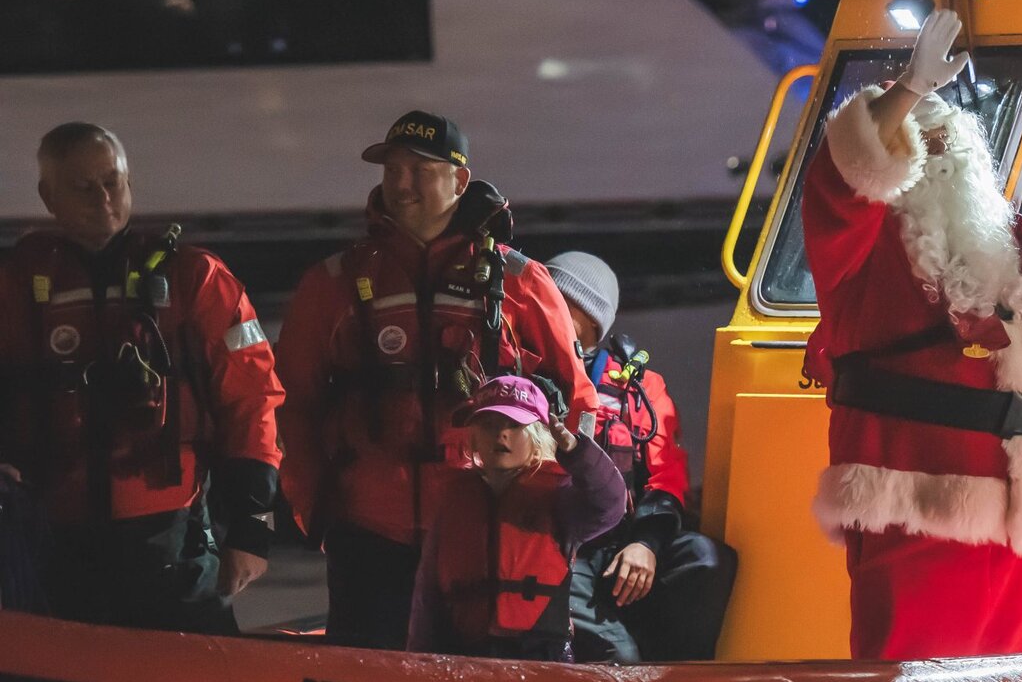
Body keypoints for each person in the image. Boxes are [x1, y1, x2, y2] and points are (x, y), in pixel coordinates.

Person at [802, 9, 1022, 660]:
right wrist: (909, 90)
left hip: (1013, 525)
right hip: (911, 512)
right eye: (921, 142)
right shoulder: (861, 254)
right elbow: (838, 182)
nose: (941, 155)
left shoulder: (1007, 254)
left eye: (953, 145)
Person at [275, 111, 596, 648]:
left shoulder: (521, 281)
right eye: (392, 171)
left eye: (419, 171)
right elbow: (292, 404)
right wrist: (317, 510)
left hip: (487, 528)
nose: (401, 185)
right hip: (370, 532)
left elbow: (577, 400)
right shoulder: (334, 282)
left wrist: (553, 512)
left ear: (459, 179)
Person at [0, 123, 282, 632]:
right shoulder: (17, 284)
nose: (103, 198)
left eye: (113, 181)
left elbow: (252, 398)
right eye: (83, 187)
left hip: (172, 538)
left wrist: (250, 526)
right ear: (48, 196)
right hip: (53, 541)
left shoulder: (195, 277)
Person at [544, 251, 738, 662]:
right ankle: (629, 678)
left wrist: (646, 543)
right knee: (618, 656)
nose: (548, 312)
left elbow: (666, 474)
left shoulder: (642, 386)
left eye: (562, 303)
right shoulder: (523, 376)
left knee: (705, 560)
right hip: (558, 544)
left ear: (594, 318)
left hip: (623, 543)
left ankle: (681, 681)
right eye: (544, 300)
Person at [407, 376, 625, 659]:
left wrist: (578, 452)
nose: (501, 434)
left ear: (538, 433)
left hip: (542, 661)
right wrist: (418, 661)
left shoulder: (559, 496)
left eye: (514, 425)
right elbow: (428, 595)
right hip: (464, 656)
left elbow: (609, 505)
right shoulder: (453, 500)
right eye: (489, 424)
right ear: (473, 435)